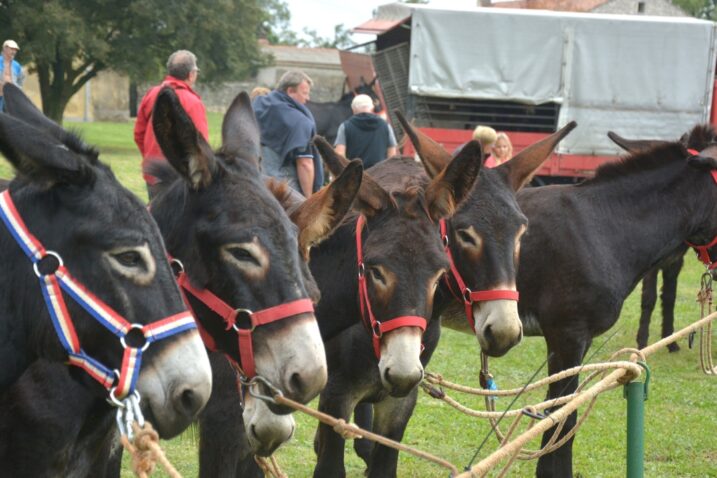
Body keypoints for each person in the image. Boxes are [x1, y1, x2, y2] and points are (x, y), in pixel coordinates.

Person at [134, 50, 208, 194]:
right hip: (180, 178)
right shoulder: (193, 102)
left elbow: (139, 134)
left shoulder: (151, 94)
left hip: (154, 174)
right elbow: (201, 144)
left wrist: (151, 158)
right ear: (191, 74)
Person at [253, 70, 323, 197]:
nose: (308, 98)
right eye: (305, 93)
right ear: (290, 91)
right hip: (283, 192)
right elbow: (305, 164)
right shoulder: (300, 122)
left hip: (254, 185)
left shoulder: (256, 106)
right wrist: (308, 199)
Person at [334, 94, 397, 169]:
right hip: (379, 176)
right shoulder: (386, 126)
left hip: (356, 176)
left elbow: (340, 154)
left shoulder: (344, 127)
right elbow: (392, 154)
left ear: (353, 109)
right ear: (372, 108)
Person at [0, 39, 25, 112]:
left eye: (15, 50)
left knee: (11, 117)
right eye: (12, 49)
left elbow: (21, 79)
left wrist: (17, 88)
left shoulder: (17, 65)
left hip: (11, 96)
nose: (14, 51)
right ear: (5, 48)